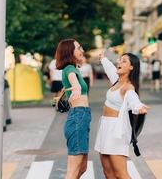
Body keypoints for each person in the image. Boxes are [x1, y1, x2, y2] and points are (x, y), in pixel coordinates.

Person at [94, 51, 149, 179]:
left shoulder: (128, 87)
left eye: (124, 61)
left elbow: (133, 99)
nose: (119, 62)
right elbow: (110, 69)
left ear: (131, 67)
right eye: (119, 60)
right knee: (108, 173)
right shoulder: (117, 81)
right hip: (105, 127)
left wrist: (138, 107)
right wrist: (103, 59)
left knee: (121, 174)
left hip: (116, 131)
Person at [55, 39, 91, 179]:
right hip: (78, 117)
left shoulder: (74, 69)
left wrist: (63, 93)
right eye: (78, 48)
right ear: (70, 52)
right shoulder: (70, 69)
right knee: (73, 170)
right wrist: (75, 86)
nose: (82, 50)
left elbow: (69, 82)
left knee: (82, 167)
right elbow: (73, 80)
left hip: (82, 117)